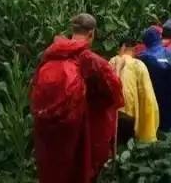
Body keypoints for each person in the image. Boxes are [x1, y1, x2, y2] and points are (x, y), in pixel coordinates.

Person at [31, 13, 124, 183]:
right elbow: (114, 93)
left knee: (54, 170)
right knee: (77, 170)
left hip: (49, 131)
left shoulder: (51, 54)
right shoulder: (91, 60)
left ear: (72, 31)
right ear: (91, 34)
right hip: (79, 128)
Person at [109, 38, 159, 145]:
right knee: (126, 146)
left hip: (112, 112)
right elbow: (147, 95)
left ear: (120, 49)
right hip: (128, 113)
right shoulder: (138, 65)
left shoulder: (112, 61)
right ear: (134, 50)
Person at [138, 26, 171, 133]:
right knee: (167, 121)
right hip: (169, 95)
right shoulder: (169, 53)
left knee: (152, 124)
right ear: (159, 38)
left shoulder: (143, 57)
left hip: (151, 98)